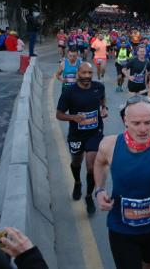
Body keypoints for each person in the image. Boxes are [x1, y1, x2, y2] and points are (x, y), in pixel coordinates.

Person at [93, 96, 150, 269]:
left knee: (149, 265)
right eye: (136, 123)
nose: (143, 129)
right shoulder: (109, 145)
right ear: (125, 121)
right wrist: (99, 190)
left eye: (148, 122)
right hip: (121, 228)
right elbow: (99, 163)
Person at [56, 62, 107, 214]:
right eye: (83, 73)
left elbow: (103, 100)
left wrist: (104, 108)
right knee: (76, 161)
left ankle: (89, 196)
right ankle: (77, 182)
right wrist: (73, 117)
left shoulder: (98, 87)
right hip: (76, 134)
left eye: (89, 73)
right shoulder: (69, 92)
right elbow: (59, 114)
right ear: (78, 73)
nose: (86, 76)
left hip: (95, 132)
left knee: (91, 166)